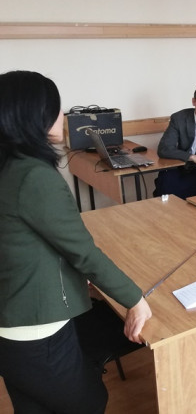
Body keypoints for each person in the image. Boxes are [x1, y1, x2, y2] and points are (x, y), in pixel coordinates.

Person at [0, 70, 152, 413]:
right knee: (90, 401)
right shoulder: (33, 175)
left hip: (12, 327)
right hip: (38, 331)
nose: (62, 115)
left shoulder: (8, 166)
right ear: (33, 114)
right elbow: (83, 252)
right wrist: (134, 299)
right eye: (56, 108)